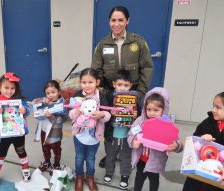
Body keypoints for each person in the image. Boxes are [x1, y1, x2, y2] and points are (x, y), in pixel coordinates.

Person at [91, 5, 154, 168]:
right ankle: (110, 154)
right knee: (110, 128)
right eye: (113, 20)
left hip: (132, 95)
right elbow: (96, 71)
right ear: (109, 21)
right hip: (110, 95)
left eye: (120, 20)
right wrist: (103, 94)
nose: (116, 24)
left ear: (127, 21)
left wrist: (140, 92)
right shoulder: (102, 44)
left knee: (130, 125)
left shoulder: (138, 42)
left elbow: (147, 67)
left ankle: (127, 155)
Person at [127, 87, 183, 191]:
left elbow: (177, 140)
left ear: (164, 109)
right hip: (141, 158)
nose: (152, 113)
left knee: (154, 180)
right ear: (144, 108)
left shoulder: (167, 124)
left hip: (156, 161)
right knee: (139, 178)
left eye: (156, 110)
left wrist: (176, 145)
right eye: (149, 109)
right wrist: (133, 141)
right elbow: (131, 133)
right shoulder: (140, 121)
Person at [0, 72, 31, 188]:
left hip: (18, 133)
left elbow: (28, 111)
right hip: (2, 135)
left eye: (12, 88)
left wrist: (25, 110)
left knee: (21, 152)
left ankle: (26, 171)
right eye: (6, 88)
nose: (9, 91)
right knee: (0, 154)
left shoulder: (19, 100)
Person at [182, 91, 224, 191]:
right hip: (199, 171)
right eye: (213, 106)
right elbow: (195, 138)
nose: (213, 110)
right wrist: (201, 137)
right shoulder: (208, 122)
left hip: (221, 177)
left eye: (218, 107)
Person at [69, 68, 111, 191]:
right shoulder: (76, 96)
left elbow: (108, 115)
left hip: (94, 136)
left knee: (91, 159)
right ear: (80, 82)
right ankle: (79, 178)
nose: (87, 85)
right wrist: (76, 111)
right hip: (79, 135)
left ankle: (90, 177)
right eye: (84, 82)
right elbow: (70, 114)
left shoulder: (101, 96)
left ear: (97, 82)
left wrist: (101, 115)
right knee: (79, 158)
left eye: (90, 82)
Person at [103, 70, 137, 190]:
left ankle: (124, 175)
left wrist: (135, 115)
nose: (122, 88)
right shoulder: (108, 97)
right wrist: (110, 113)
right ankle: (109, 172)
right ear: (114, 84)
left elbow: (139, 117)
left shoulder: (135, 98)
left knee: (126, 158)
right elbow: (103, 114)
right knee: (110, 156)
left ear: (130, 85)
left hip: (127, 136)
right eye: (119, 85)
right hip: (111, 135)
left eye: (126, 85)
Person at [33, 80, 66, 173]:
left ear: (59, 92)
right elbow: (36, 103)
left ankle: (56, 164)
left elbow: (62, 119)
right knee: (45, 147)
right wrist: (38, 101)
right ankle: (47, 161)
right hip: (43, 130)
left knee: (56, 148)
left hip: (54, 132)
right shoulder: (45, 100)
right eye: (48, 93)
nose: (50, 95)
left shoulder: (62, 104)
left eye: (53, 92)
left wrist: (51, 116)